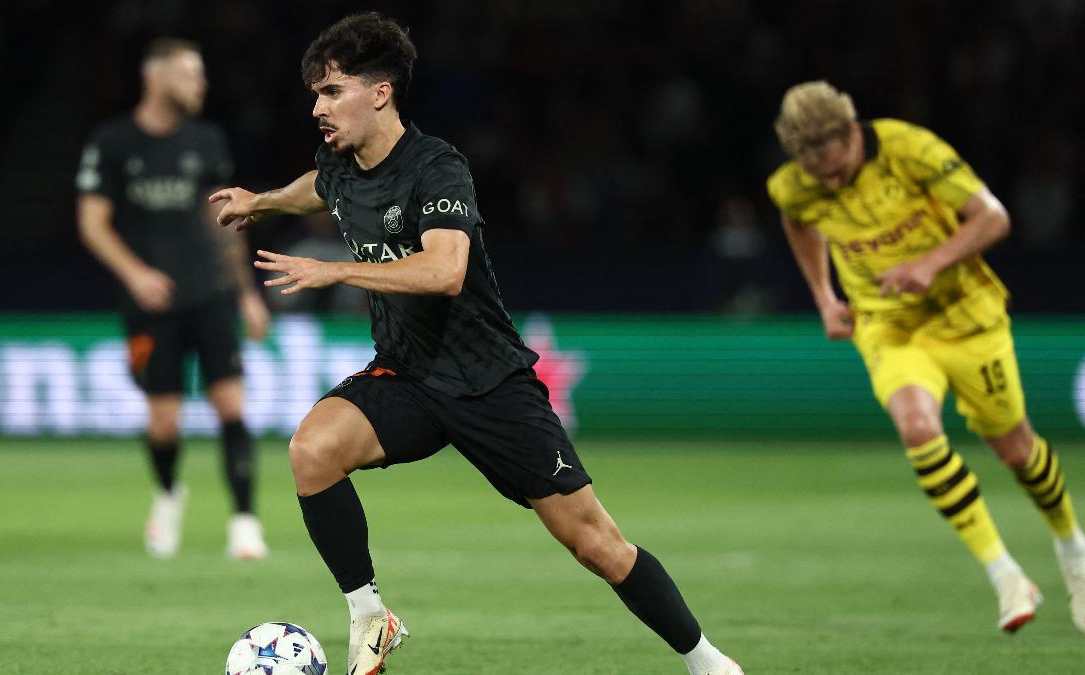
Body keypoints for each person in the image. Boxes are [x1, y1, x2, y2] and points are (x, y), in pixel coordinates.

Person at [209, 12, 742, 675]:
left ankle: (708, 661)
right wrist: (261, 200)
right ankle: (371, 614)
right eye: (315, 93)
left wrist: (336, 270)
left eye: (332, 91)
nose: (318, 107)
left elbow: (444, 271)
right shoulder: (338, 162)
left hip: (488, 382)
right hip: (406, 374)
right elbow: (321, 190)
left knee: (596, 543)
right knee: (311, 449)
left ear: (381, 92)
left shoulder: (437, 168)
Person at [767, 80, 1085, 635]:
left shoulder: (910, 149)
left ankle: (1072, 546)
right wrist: (826, 298)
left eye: (836, 167)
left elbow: (992, 217)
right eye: (818, 175)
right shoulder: (793, 186)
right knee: (917, 427)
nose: (830, 182)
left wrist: (928, 264)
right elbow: (797, 221)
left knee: (1017, 451)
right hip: (888, 325)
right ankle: (1006, 575)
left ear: (852, 134)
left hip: (966, 316)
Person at [77, 38, 271, 560]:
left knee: (231, 404)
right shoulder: (113, 142)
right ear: (156, 77)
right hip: (148, 305)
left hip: (208, 295)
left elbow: (224, 221)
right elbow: (92, 223)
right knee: (163, 420)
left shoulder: (206, 141)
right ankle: (167, 495)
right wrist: (135, 274)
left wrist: (247, 296)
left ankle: (245, 522)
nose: (200, 83)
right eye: (191, 73)